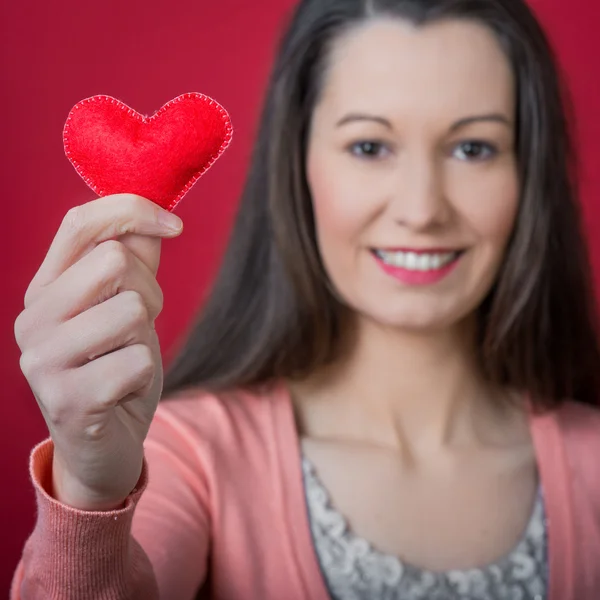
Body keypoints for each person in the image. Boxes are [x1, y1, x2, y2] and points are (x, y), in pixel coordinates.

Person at [10, 0, 600, 598]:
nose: (422, 210)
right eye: (369, 147)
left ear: (529, 174)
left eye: (472, 148)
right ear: (298, 164)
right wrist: (89, 494)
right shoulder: (184, 456)